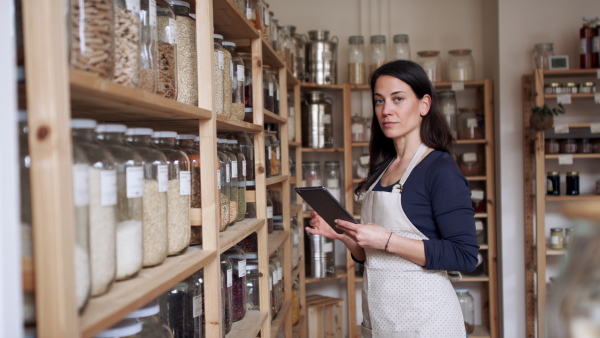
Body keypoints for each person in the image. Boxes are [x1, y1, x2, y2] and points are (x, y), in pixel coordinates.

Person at [307, 60, 479, 337]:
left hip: (426, 323)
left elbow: (465, 255)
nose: (386, 110)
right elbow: (372, 255)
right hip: (382, 319)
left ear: (424, 105)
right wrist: (345, 236)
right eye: (379, 101)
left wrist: (387, 240)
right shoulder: (382, 169)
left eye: (398, 99)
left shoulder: (439, 168)